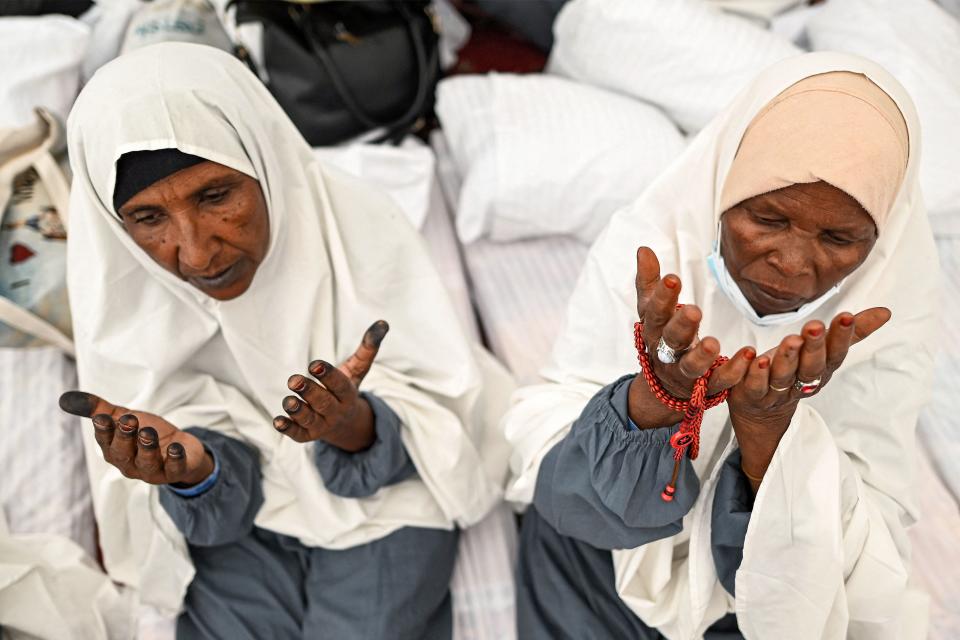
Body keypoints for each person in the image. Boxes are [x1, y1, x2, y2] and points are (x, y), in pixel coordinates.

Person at [58, 42, 511, 639]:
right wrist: (192, 470)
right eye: (148, 219)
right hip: (242, 530)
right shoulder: (124, 296)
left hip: (383, 515)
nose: (194, 252)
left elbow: (448, 421)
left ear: (264, 162)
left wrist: (350, 424)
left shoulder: (359, 232)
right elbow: (197, 498)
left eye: (216, 196)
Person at [505, 53, 937, 639]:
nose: (790, 265)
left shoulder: (890, 308)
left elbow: (857, 561)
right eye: (767, 219)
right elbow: (558, 478)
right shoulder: (650, 255)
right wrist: (660, 394)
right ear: (725, 186)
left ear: (878, 240)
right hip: (595, 563)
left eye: (839, 238)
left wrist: (771, 436)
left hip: (759, 609)